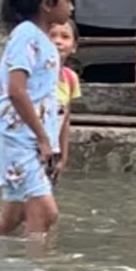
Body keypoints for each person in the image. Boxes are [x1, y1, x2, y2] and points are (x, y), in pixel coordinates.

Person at [0, 0, 75, 238]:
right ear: (47, 4)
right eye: (67, 0)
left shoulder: (43, 41)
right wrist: (42, 138)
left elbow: (49, 101)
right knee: (45, 212)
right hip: (16, 136)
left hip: (30, 138)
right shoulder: (26, 36)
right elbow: (16, 91)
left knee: (14, 215)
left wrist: (54, 145)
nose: (72, 6)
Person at [49, 19, 82, 183]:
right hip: (28, 149)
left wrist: (63, 156)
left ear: (74, 46)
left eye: (65, 37)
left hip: (51, 150)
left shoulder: (70, 78)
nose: (57, 41)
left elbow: (65, 118)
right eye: (52, 36)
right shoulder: (33, 75)